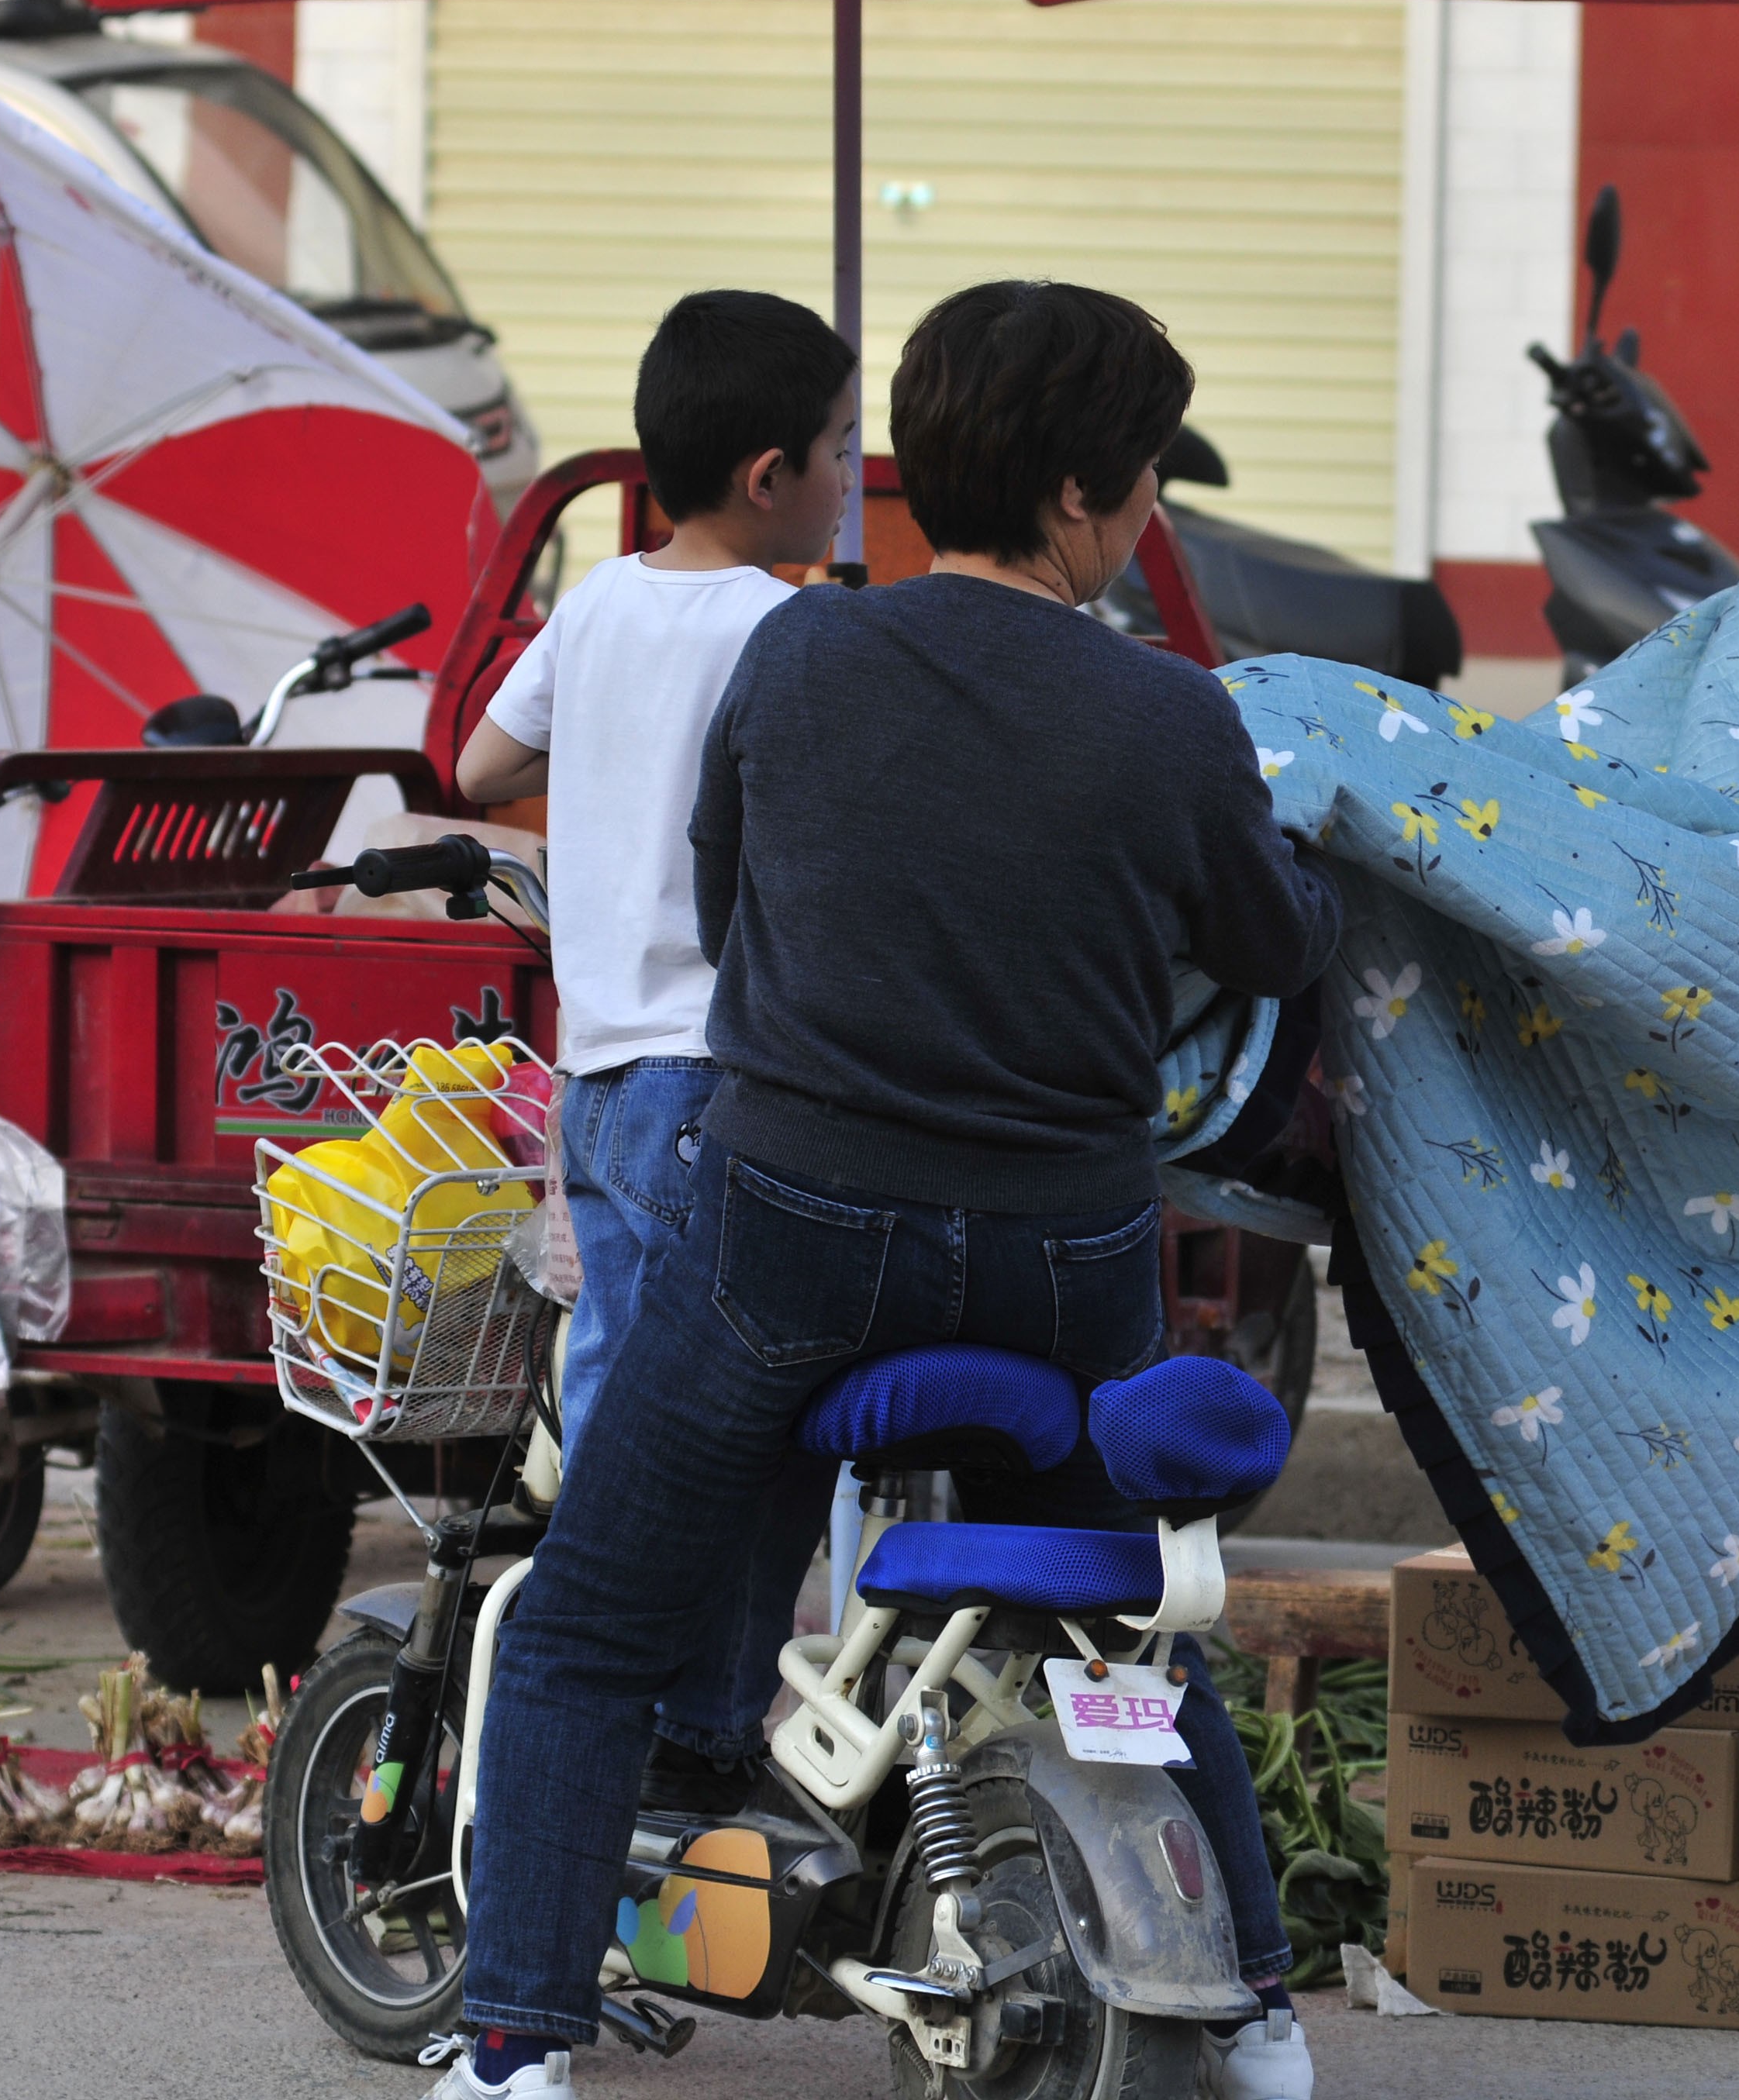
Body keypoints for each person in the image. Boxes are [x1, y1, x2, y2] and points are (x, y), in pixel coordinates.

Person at [431, 281, 1340, 2100]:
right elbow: (1272, 945)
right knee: (1124, 1605)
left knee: (591, 1616)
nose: (1151, 508)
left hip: (793, 1222)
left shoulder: (804, 655)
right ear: (1087, 500)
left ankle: (510, 2043)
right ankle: (1250, 2007)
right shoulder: (1170, 718)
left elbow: (724, 879)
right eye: (1150, 476)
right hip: (1066, 1249)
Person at [456, 288, 856, 1815]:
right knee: (739, 1428)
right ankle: (676, 1732)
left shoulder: (599, 607)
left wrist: (602, 758)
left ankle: (593, 1726)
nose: (847, 469)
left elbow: (484, 766)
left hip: (599, 1085)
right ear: (768, 474)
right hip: (719, 1075)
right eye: (835, 446)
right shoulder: (791, 626)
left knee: (628, 1414)